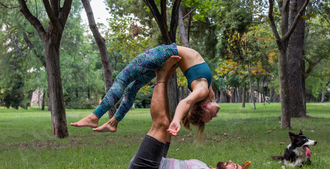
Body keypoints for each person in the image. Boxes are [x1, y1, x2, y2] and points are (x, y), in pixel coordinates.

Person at [124, 60, 250, 169]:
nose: (231, 161)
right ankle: (164, 76)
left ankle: (161, 75)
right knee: (166, 124)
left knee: (161, 124)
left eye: (235, 166)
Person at [70, 43, 220, 136]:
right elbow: (203, 103)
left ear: (204, 106)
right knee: (130, 89)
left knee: (123, 80)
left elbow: (185, 103)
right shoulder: (208, 94)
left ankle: (96, 117)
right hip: (165, 58)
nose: (216, 116)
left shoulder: (202, 91)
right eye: (213, 117)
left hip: (164, 54)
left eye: (212, 116)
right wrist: (198, 114)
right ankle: (112, 123)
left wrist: (176, 120)